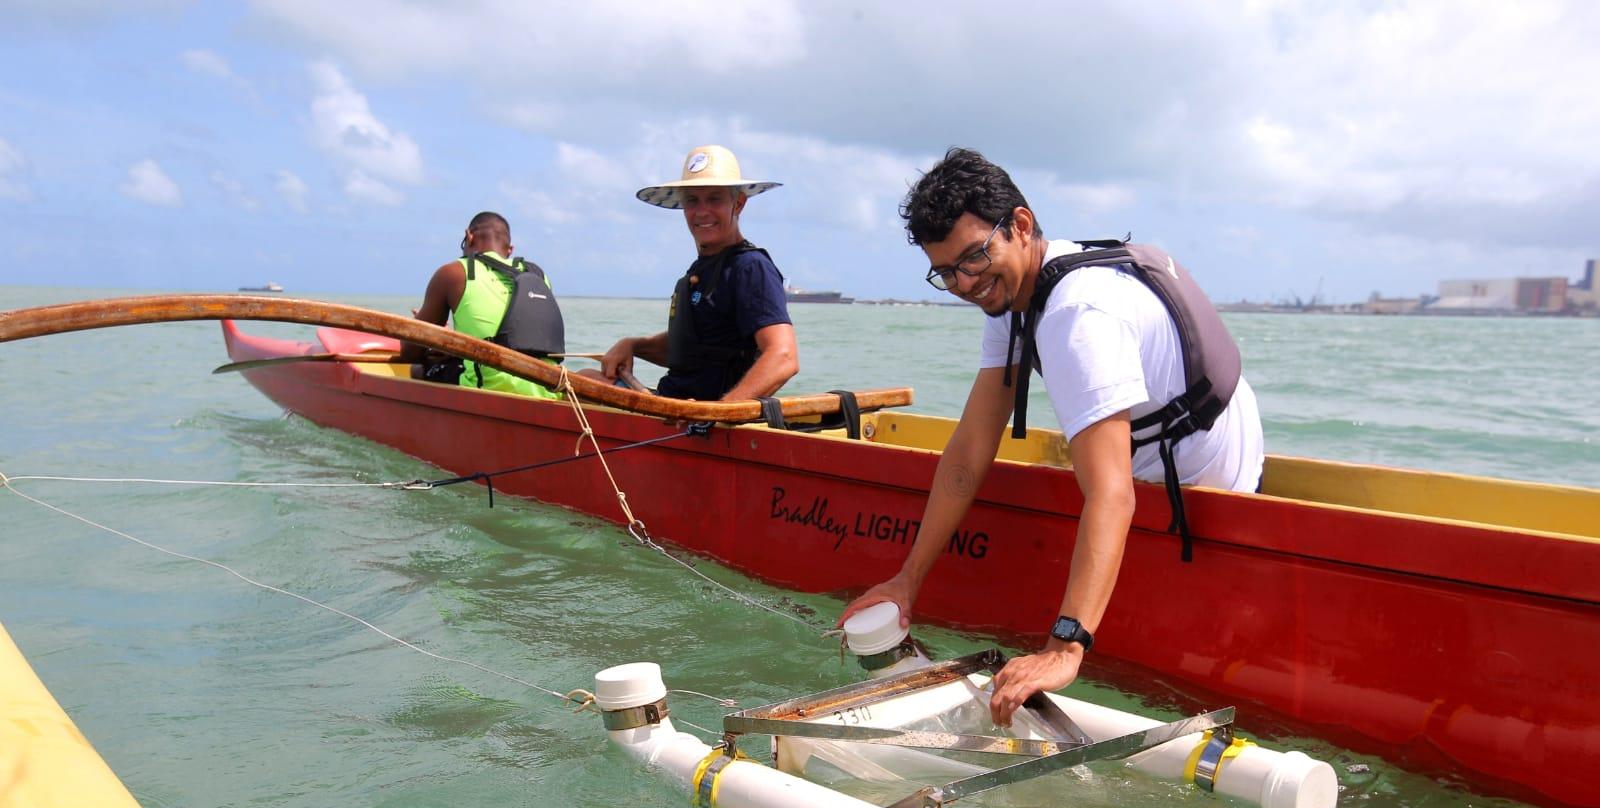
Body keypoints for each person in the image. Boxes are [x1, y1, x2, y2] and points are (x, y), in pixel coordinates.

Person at [838, 148, 1265, 726]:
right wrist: (906, 581)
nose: (965, 283)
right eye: (946, 272)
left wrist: (1066, 646)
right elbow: (969, 452)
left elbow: (1113, 495)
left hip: (1200, 487)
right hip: (1181, 447)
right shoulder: (1015, 291)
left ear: (1019, 223)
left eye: (974, 257)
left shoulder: (1075, 315)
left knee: (1093, 477)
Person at [599, 146, 798, 401]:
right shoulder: (702, 268)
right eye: (693, 200)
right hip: (673, 406)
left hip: (699, 424)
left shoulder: (750, 268)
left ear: (738, 203)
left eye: (714, 198)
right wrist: (633, 345)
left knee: (578, 386)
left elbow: (784, 356)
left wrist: (719, 413)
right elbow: (691, 348)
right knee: (586, 379)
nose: (702, 211)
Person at [400, 211, 565, 399]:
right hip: (550, 392)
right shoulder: (537, 275)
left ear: (469, 237)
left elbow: (410, 352)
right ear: (510, 250)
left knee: (416, 369)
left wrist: (434, 341)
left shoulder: (454, 273)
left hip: (488, 391)